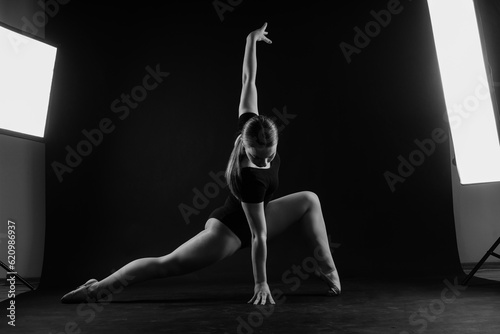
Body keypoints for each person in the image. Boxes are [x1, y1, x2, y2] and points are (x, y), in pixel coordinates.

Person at [61, 22, 340, 306]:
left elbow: (248, 80)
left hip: (260, 215)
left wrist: (250, 40)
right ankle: (97, 288)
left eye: (271, 154)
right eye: (258, 156)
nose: (266, 160)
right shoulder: (250, 178)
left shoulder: (252, 126)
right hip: (229, 232)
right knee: (165, 264)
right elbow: (258, 236)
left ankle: (327, 268)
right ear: (246, 146)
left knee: (310, 200)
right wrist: (261, 283)